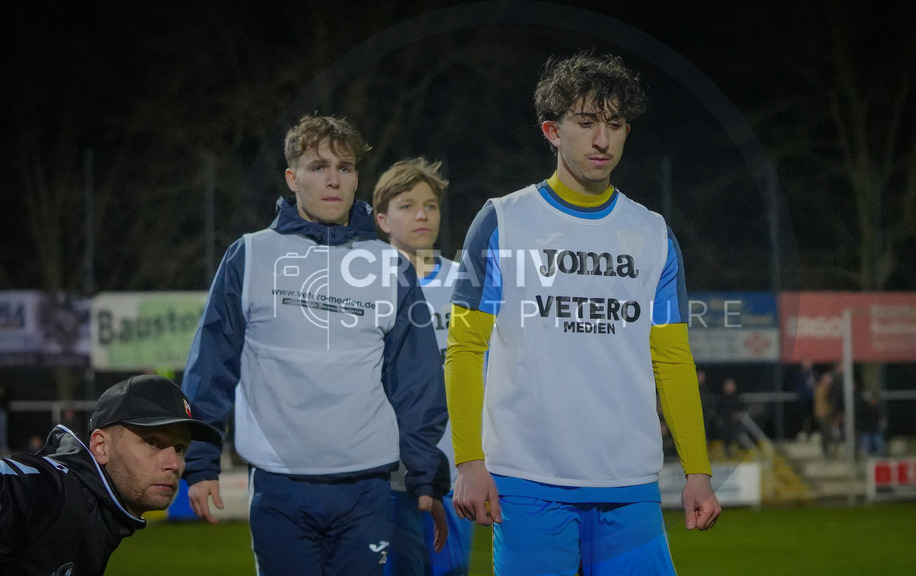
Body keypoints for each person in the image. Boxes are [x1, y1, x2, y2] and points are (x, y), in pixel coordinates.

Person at [445, 51, 721, 574]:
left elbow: (672, 359)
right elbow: (465, 347)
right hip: (526, 481)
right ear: (552, 130)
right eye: (586, 122)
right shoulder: (503, 221)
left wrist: (697, 470)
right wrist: (469, 461)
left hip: (629, 482)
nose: (602, 140)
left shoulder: (653, 234)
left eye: (614, 125)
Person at [181, 114, 450, 575]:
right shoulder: (251, 255)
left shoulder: (389, 265)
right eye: (318, 167)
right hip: (278, 482)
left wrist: (426, 472)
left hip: (367, 485)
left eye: (345, 168)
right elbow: (212, 366)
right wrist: (201, 463)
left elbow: (417, 380)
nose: (333, 180)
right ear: (292, 178)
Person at [0, 374, 220, 575]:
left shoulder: (100, 513)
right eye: (152, 442)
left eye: (180, 448)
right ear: (101, 446)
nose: (173, 464)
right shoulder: (52, 490)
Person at [373, 157, 474, 576]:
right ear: (382, 219)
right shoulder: (364, 285)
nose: (421, 215)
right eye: (407, 205)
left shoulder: (465, 284)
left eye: (430, 205)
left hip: (454, 467)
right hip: (385, 469)